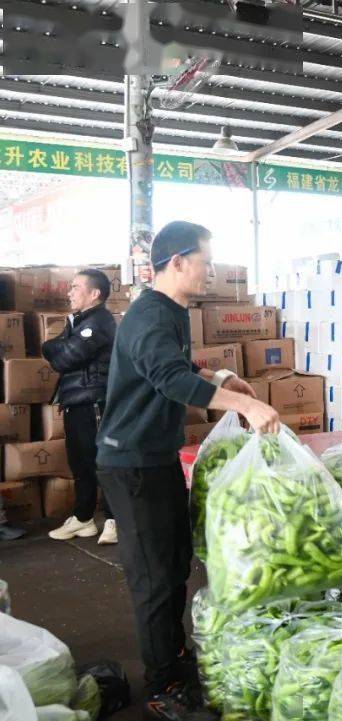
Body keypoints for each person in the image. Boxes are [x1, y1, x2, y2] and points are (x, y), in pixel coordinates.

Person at [96, 221, 281, 721]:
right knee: (155, 577)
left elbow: (177, 364)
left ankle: (172, 658)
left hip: (153, 456)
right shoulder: (151, 315)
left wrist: (221, 376)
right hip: (131, 462)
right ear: (176, 262)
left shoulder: (171, 312)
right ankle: (160, 685)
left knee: (174, 562)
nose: (211, 271)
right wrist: (246, 408)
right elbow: (168, 378)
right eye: (204, 260)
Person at [42, 268, 118, 545]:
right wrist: (57, 346)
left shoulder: (99, 322)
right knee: (82, 464)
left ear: (94, 293)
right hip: (77, 401)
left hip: (93, 402)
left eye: (75, 287)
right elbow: (55, 349)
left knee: (102, 462)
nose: (69, 292)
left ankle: (114, 520)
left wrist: (57, 348)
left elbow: (64, 359)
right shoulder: (78, 321)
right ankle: (84, 518)